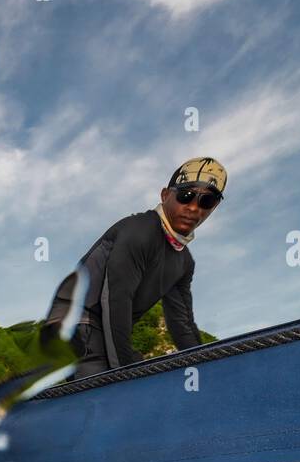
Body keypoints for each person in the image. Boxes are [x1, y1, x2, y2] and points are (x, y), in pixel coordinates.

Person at [40, 158, 227, 379]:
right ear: (165, 195)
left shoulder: (184, 262)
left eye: (207, 201)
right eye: (185, 196)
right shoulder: (139, 230)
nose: (194, 208)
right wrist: (124, 372)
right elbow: (115, 299)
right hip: (76, 327)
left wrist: (206, 368)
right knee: (114, 391)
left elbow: (182, 324)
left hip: (107, 333)